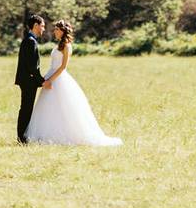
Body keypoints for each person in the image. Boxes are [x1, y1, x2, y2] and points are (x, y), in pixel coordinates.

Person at [24, 19, 122, 146]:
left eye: (57, 29)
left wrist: (50, 80)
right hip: (50, 76)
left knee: (64, 108)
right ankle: (46, 135)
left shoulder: (67, 46)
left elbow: (63, 67)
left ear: (63, 31)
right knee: (48, 108)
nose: (55, 31)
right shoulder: (58, 44)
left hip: (58, 79)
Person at [14, 14, 49, 143]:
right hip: (28, 81)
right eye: (42, 26)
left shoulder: (29, 39)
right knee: (26, 109)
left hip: (27, 80)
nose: (43, 29)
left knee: (26, 108)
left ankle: (23, 136)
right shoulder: (30, 41)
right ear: (35, 26)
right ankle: (22, 138)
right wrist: (42, 81)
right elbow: (32, 67)